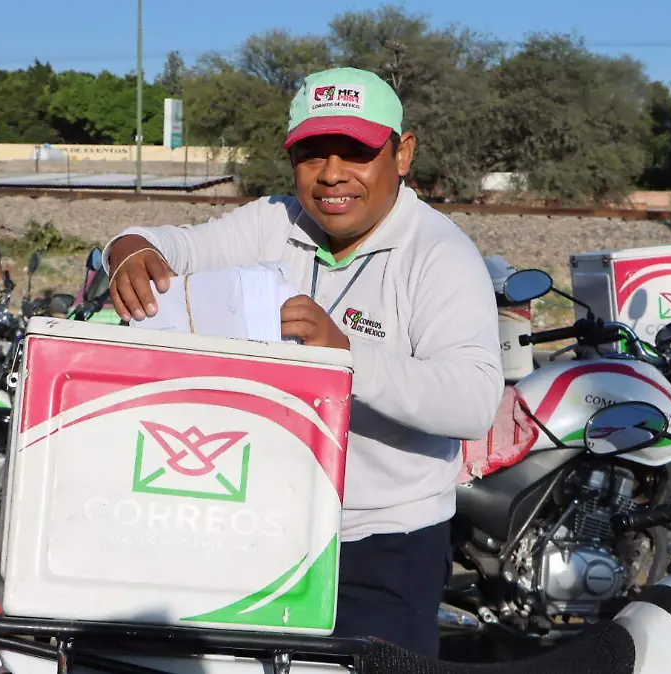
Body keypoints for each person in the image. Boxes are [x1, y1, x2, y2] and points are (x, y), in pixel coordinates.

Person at [101, 66, 504, 656]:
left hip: (383, 544)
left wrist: (346, 356)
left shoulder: (440, 254)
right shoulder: (274, 221)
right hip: (257, 525)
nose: (332, 173)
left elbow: (472, 401)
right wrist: (127, 249)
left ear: (402, 154)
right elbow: (168, 245)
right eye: (313, 154)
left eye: (357, 153)